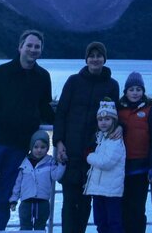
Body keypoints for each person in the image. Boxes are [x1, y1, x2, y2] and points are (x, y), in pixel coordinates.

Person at [0, 29, 55, 232]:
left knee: (5, 199)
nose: (33, 49)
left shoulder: (43, 77)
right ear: (20, 47)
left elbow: (44, 107)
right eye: (29, 45)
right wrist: (1, 120)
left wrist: (63, 123)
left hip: (19, 148)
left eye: (37, 46)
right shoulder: (0, 73)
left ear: (41, 50)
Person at [54, 42, 122, 233]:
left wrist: (121, 128)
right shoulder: (73, 81)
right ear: (86, 59)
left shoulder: (112, 85)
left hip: (95, 154)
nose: (95, 59)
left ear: (104, 59)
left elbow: (116, 115)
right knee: (69, 203)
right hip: (70, 151)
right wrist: (58, 142)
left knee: (85, 204)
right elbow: (61, 113)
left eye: (99, 55)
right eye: (91, 55)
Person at [117, 72, 152, 233]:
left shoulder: (150, 110)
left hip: (141, 169)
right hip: (120, 168)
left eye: (138, 89)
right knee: (121, 209)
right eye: (131, 89)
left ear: (143, 91)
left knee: (138, 210)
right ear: (125, 91)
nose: (135, 93)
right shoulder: (118, 109)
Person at [9, 129, 65, 231]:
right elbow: (18, 183)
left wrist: (62, 164)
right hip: (26, 202)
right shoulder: (24, 162)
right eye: (36, 147)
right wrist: (14, 199)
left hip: (42, 202)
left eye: (43, 147)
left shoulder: (50, 162)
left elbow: (56, 176)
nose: (39, 150)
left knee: (40, 227)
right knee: (25, 227)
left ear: (47, 148)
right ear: (31, 147)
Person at [85, 99, 127, 233]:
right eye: (101, 119)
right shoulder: (100, 138)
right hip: (99, 190)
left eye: (107, 119)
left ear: (114, 121)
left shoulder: (115, 141)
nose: (103, 122)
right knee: (100, 222)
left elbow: (105, 163)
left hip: (111, 191)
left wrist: (89, 156)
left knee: (113, 222)